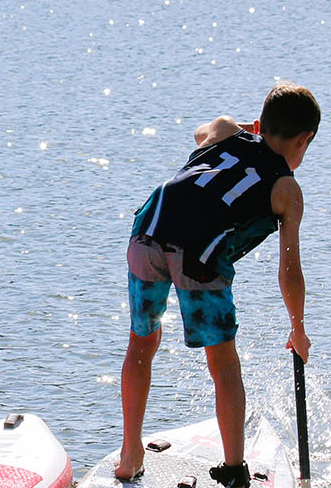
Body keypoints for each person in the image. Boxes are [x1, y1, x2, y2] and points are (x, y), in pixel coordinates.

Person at [113, 82, 317, 487]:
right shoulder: (286, 190)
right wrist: (298, 328)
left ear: (260, 124)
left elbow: (201, 131)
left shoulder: (224, 129)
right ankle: (234, 470)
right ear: (304, 139)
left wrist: (243, 128)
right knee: (223, 362)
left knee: (142, 341)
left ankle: (130, 452)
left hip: (147, 232)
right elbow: (289, 271)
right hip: (199, 257)